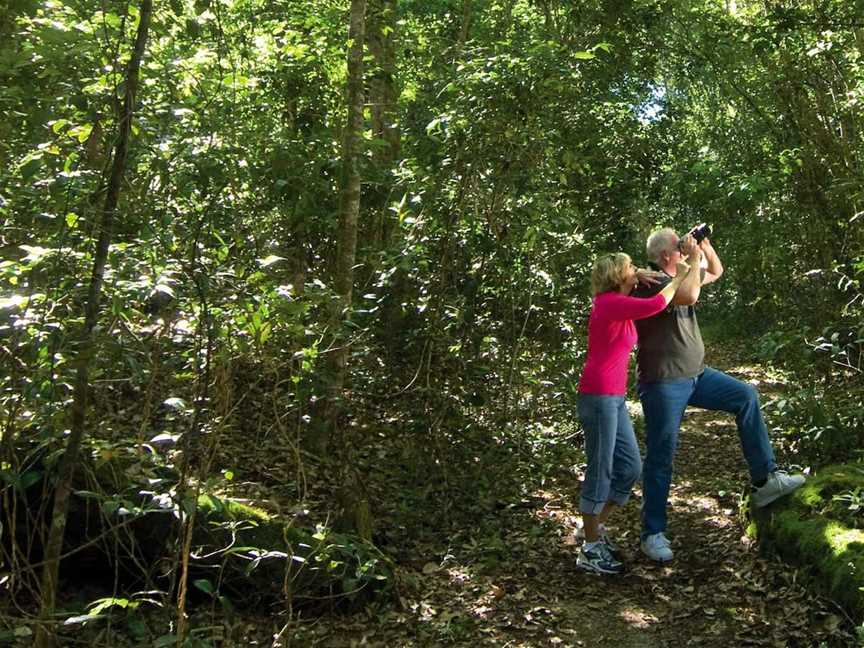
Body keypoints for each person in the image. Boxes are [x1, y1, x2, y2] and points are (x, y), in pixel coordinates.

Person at [633, 228, 805, 563]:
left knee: (746, 397)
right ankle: (652, 533)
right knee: (661, 456)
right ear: (667, 254)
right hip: (663, 382)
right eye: (678, 245)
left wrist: (705, 246)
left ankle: (765, 479)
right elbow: (689, 296)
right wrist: (693, 256)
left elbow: (715, 272)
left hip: (697, 375)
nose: (683, 248)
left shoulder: (683, 271)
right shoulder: (650, 282)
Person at [576, 252, 692, 574]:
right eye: (629, 267)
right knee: (601, 470)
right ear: (617, 275)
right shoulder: (608, 302)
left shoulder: (620, 301)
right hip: (598, 396)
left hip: (613, 398)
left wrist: (638, 274)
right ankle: (590, 547)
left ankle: (593, 527)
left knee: (629, 468)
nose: (636, 270)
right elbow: (657, 304)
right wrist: (680, 276)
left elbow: (644, 289)